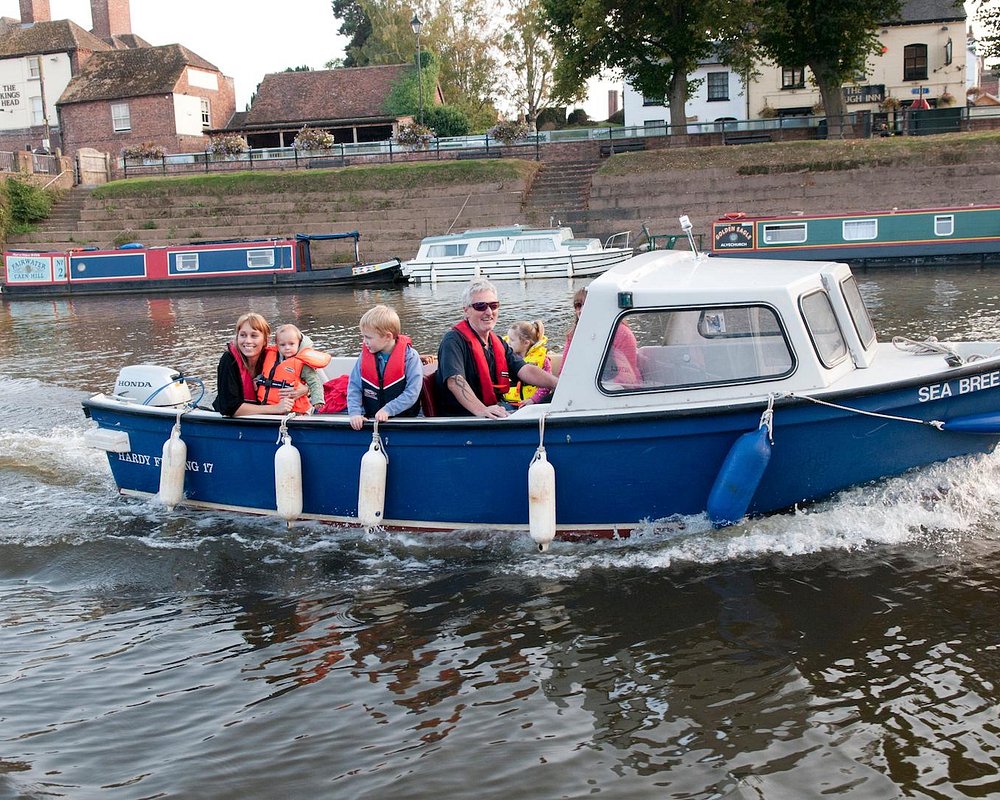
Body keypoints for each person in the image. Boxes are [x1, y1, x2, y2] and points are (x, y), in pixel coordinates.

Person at [435, 279, 558, 418]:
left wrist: (558, 384)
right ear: (466, 311)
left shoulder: (497, 342)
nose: (488, 312)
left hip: (496, 409)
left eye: (493, 305)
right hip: (466, 419)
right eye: (480, 306)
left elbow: (525, 370)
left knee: (553, 402)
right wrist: (481, 410)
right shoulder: (453, 341)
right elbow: (455, 381)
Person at [213, 312, 305, 417]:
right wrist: (276, 408)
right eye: (243, 335)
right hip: (231, 423)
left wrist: (304, 389)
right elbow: (229, 408)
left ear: (266, 339)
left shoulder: (273, 358)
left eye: (254, 336)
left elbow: (307, 380)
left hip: (266, 417)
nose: (247, 341)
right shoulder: (228, 359)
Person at [347, 304, 423, 430]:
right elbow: (354, 387)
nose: (364, 341)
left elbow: (412, 393)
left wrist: (388, 410)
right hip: (371, 418)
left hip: (405, 420)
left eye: (368, 337)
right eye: (363, 336)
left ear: (388, 336)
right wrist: (355, 413)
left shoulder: (410, 357)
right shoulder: (364, 356)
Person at [560, 286, 640, 385]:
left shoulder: (623, 334)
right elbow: (564, 371)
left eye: (587, 305)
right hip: (581, 386)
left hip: (615, 390)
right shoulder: (573, 334)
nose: (581, 310)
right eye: (578, 305)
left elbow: (627, 379)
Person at [256, 324, 332, 414]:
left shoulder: (302, 363)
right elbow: (267, 374)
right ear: (277, 345)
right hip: (269, 406)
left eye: (291, 344)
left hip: (293, 411)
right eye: (283, 345)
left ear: (298, 343)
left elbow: (314, 382)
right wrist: (257, 379)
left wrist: (318, 400)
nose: (287, 347)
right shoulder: (271, 356)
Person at [503, 319, 552, 407]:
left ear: (526, 343)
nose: (508, 343)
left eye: (512, 340)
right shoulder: (507, 357)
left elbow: (546, 385)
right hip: (507, 402)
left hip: (530, 404)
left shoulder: (543, 360)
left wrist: (533, 400)